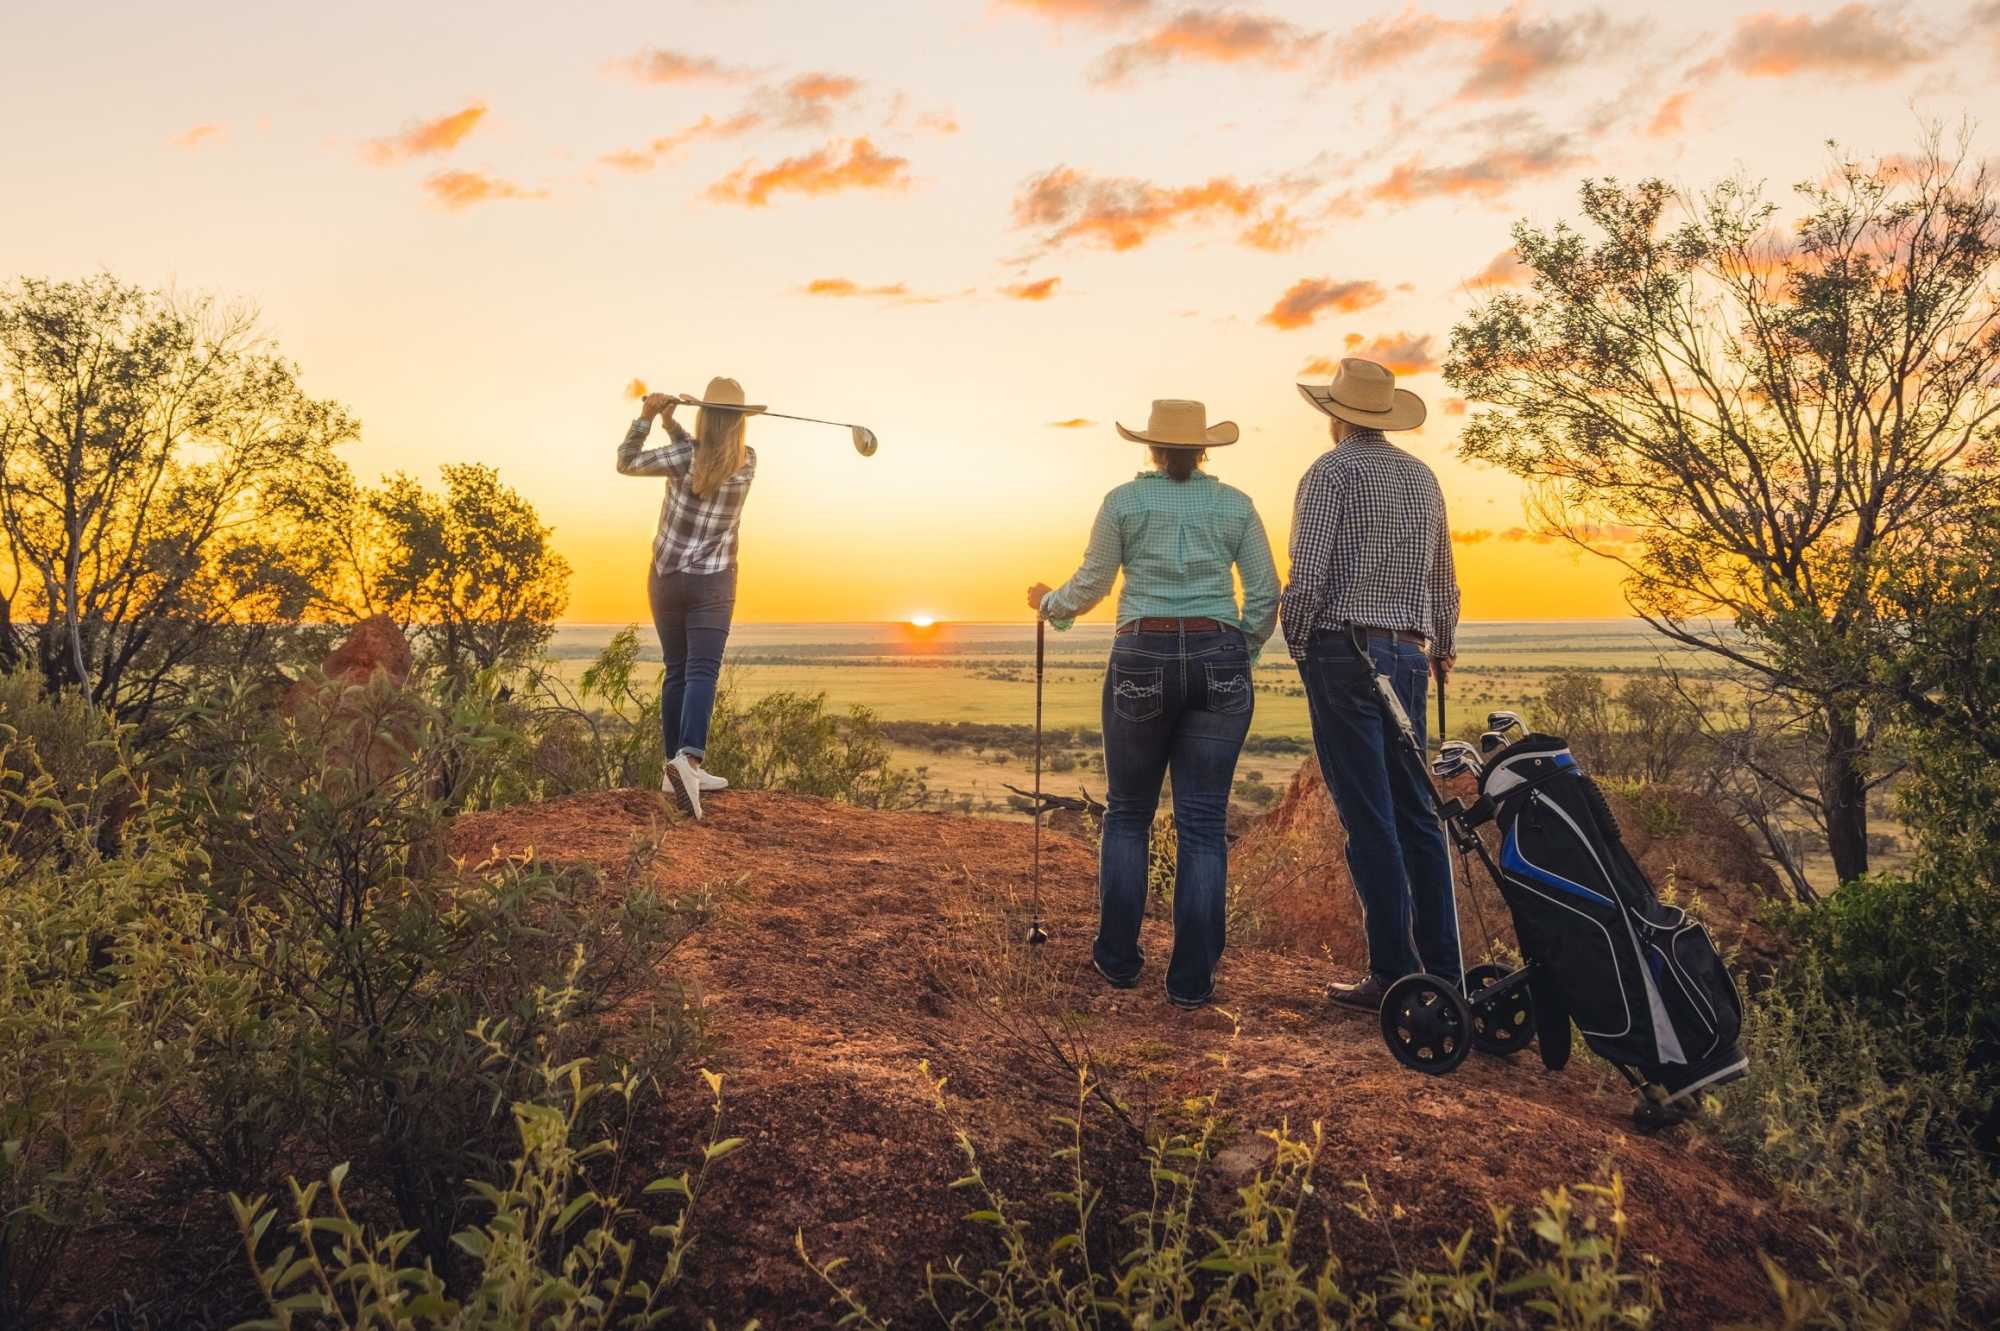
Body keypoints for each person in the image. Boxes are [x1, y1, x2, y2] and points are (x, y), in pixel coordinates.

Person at [1027, 400, 1279, 1009]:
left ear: (1151, 448)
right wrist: (1234, 648)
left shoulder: (1123, 502)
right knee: (1202, 824)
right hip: (1220, 652)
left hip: (1143, 651)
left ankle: (1117, 960)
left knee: (1129, 812)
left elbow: (1091, 584)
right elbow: (1267, 592)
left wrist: (1048, 603)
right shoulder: (1237, 505)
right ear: (1203, 450)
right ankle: (1191, 981)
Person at [1282, 358, 1463, 1011]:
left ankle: (1392, 969)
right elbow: (1443, 579)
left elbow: (1309, 578)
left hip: (1344, 649)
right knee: (1418, 813)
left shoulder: (1331, 473)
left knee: (1370, 818)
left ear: (1336, 414)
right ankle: (1445, 971)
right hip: (1409, 655)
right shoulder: (1422, 477)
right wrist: (1442, 642)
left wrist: (1298, 641)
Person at [616, 376, 763, 819]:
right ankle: (689, 761)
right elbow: (708, 458)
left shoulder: (683, 456)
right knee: (702, 670)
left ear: (702, 415)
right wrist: (667, 424)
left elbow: (627, 462)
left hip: (665, 578)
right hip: (712, 582)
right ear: (741, 423)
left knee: (677, 670)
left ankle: (674, 768)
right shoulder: (749, 462)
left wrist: (648, 419)